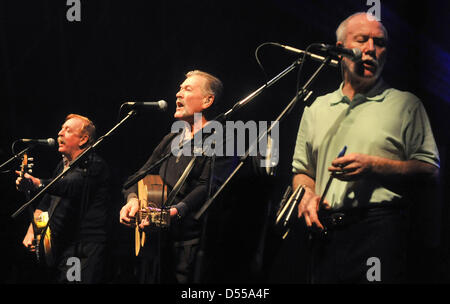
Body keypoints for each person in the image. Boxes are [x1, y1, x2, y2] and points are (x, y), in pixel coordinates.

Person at [291, 12, 440, 283]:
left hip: (379, 230)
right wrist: (306, 196)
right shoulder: (316, 108)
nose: (371, 49)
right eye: (362, 40)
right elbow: (303, 171)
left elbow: (430, 169)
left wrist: (372, 165)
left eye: (380, 43)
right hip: (325, 231)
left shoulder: (405, 104)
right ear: (340, 50)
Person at [119, 70, 237, 283]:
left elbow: (209, 186)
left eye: (187, 89)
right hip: (160, 246)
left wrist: (175, 212)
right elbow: (136, 177)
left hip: (191, 246)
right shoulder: (171, 139)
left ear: (207, 100)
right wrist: (132, 199)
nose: (178, 94)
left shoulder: (223, 138)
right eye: (180, 88)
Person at [16, 114, 112, 283]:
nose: (60, 133)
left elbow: (70, 186)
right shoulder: (62, 166)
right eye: (61, 129)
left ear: (83, 139)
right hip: (65, 247)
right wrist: (32, 230)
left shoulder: (94, 165)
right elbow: (47, 199)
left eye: (68, 130)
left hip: (84, 249)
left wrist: (38, 182)